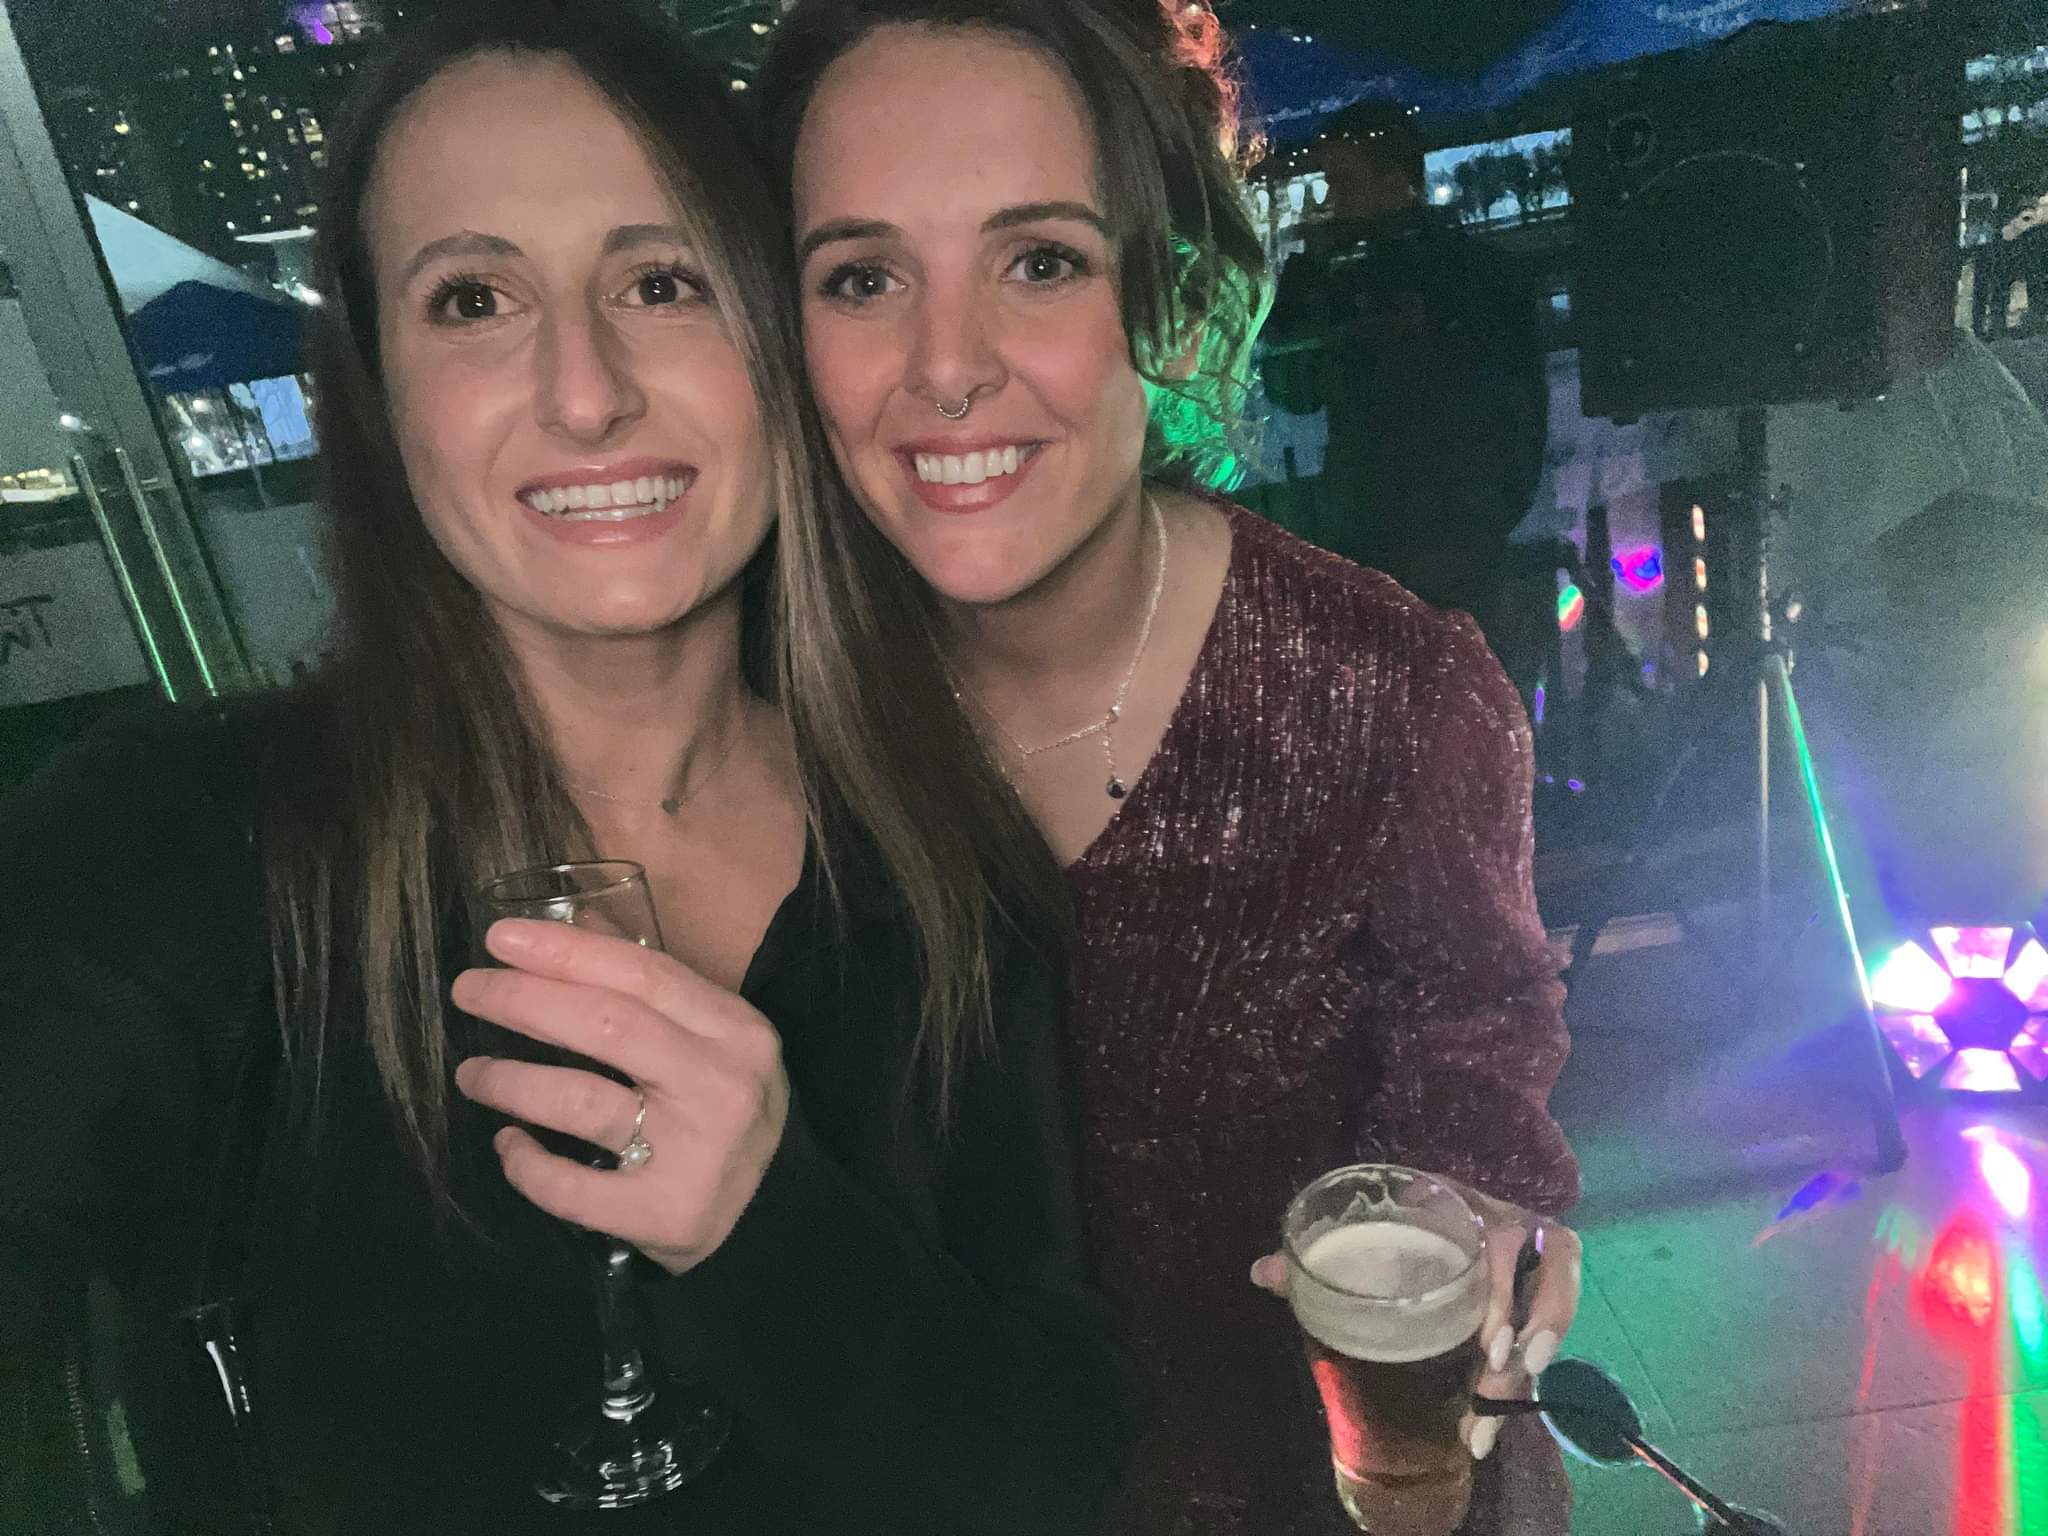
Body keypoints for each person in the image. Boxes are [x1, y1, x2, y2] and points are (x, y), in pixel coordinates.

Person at [0, 5, 1140, 1533]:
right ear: (378, 393)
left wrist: (772, 1233)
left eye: (662, 284)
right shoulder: (182, 847)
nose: (586, 390)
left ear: (777, 349)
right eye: (472, 300)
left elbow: (1054, 1463)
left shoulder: (939, 860)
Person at [759, 2, 1582, 1532]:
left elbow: (1481, 1015)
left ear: (1180, 296)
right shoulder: (778, 713)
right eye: (863, 278)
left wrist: (1477, 1200)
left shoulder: (1389, 695)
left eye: (1039, 261)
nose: (946, 367)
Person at [1261, 97, 1549, 647]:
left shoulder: (1462, 277)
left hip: (1425, 527)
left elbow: (1294, 388)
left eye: (1343, 182)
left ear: (1394, 179)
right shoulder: (1472, 272)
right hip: (1417, 527)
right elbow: (1292, 386)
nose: (1332, 201)